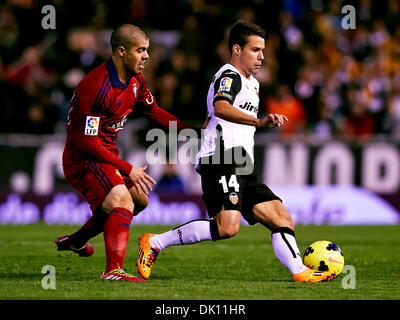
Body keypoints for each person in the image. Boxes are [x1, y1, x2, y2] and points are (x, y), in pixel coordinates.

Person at [136, 21, 335, 283]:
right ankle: (155, 242)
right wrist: (259, 121)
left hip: (240, 161)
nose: (262, 56)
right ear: (237, 49)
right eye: (255, 50)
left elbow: (213, 114)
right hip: (221, 157)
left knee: (281, 217)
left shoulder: (251, 83)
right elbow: (220, 106)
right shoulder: (230, 76)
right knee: (227, 227)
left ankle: (300, 271)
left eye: (263, 50)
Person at [55, 24, 197, 282]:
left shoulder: (135, 82)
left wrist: (194, 132)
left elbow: (155, 113)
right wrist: (126, 166)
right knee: (123, 201)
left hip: (103, 154)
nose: (146, 56)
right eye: (141, 50)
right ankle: (113, 271)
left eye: (147, 50)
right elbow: (86, 141)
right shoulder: (97, 86)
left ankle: (77, 240)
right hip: (84, 158)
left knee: (139, 202)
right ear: (122, 51)